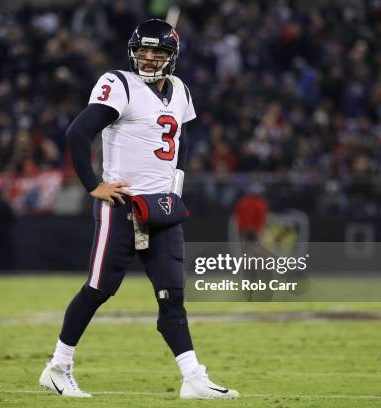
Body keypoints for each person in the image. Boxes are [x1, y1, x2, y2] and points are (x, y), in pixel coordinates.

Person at [38, 19, 238, 400]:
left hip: (161, 208)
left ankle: (192, 376)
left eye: (157, 52)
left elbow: (184, 136)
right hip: (122, 206)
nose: (148, 58)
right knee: (99, 289)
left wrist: (176, 181)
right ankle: (58, 367)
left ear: (171, 57)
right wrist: (93, 185)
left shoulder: (179, 90)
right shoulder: (119, 83)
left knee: (171, 295)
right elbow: (78, 133)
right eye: (143, 51)